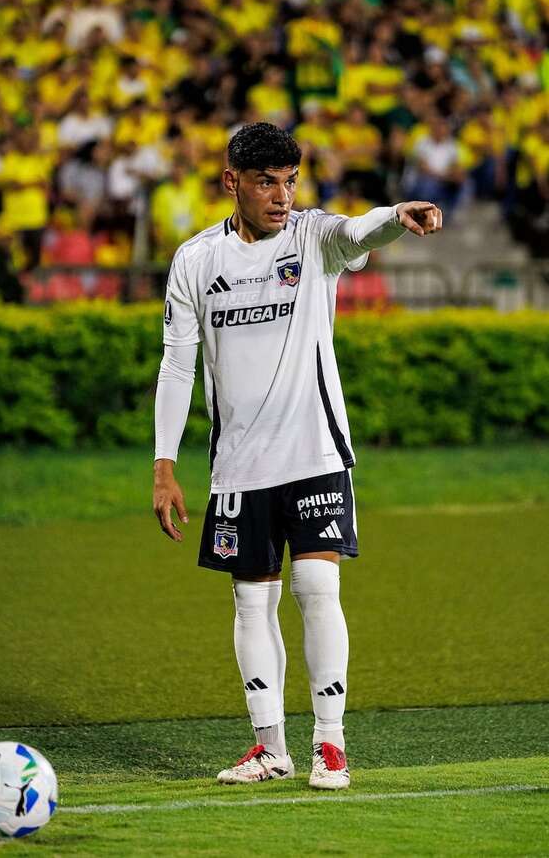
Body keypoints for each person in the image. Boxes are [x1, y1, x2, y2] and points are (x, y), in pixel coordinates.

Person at [153, 122, 442, 790]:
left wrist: (397, 217)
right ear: (232, 182)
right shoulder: (196, 261)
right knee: (251, 605)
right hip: (237, 467)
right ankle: (270, 747)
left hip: (315, 453)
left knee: (317, 587)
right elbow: (176, 364)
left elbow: (359, 231)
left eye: (290, 181)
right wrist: (164, 465)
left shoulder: (312, 239)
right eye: (265, 182)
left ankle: (331, 745)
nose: (282, 196)